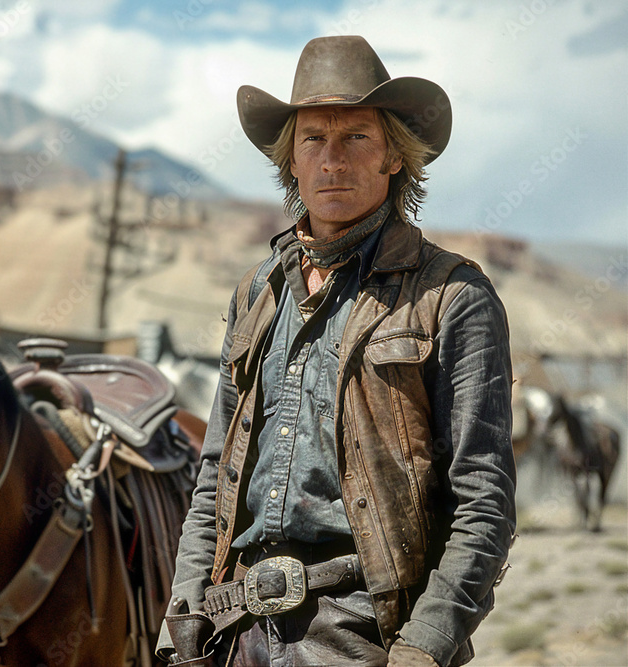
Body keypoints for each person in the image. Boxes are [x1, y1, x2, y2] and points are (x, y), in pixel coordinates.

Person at [158, 35, 516, 667]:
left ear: (394, 157)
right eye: (313, 139)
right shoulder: (257, 293)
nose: (332, 160)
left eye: (356, 136)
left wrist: (425, 644)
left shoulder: (451, 296)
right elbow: (215, 473)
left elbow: (483, 500)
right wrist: (182, 614)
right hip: (235, 630)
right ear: (291, 161)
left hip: (366, 633)